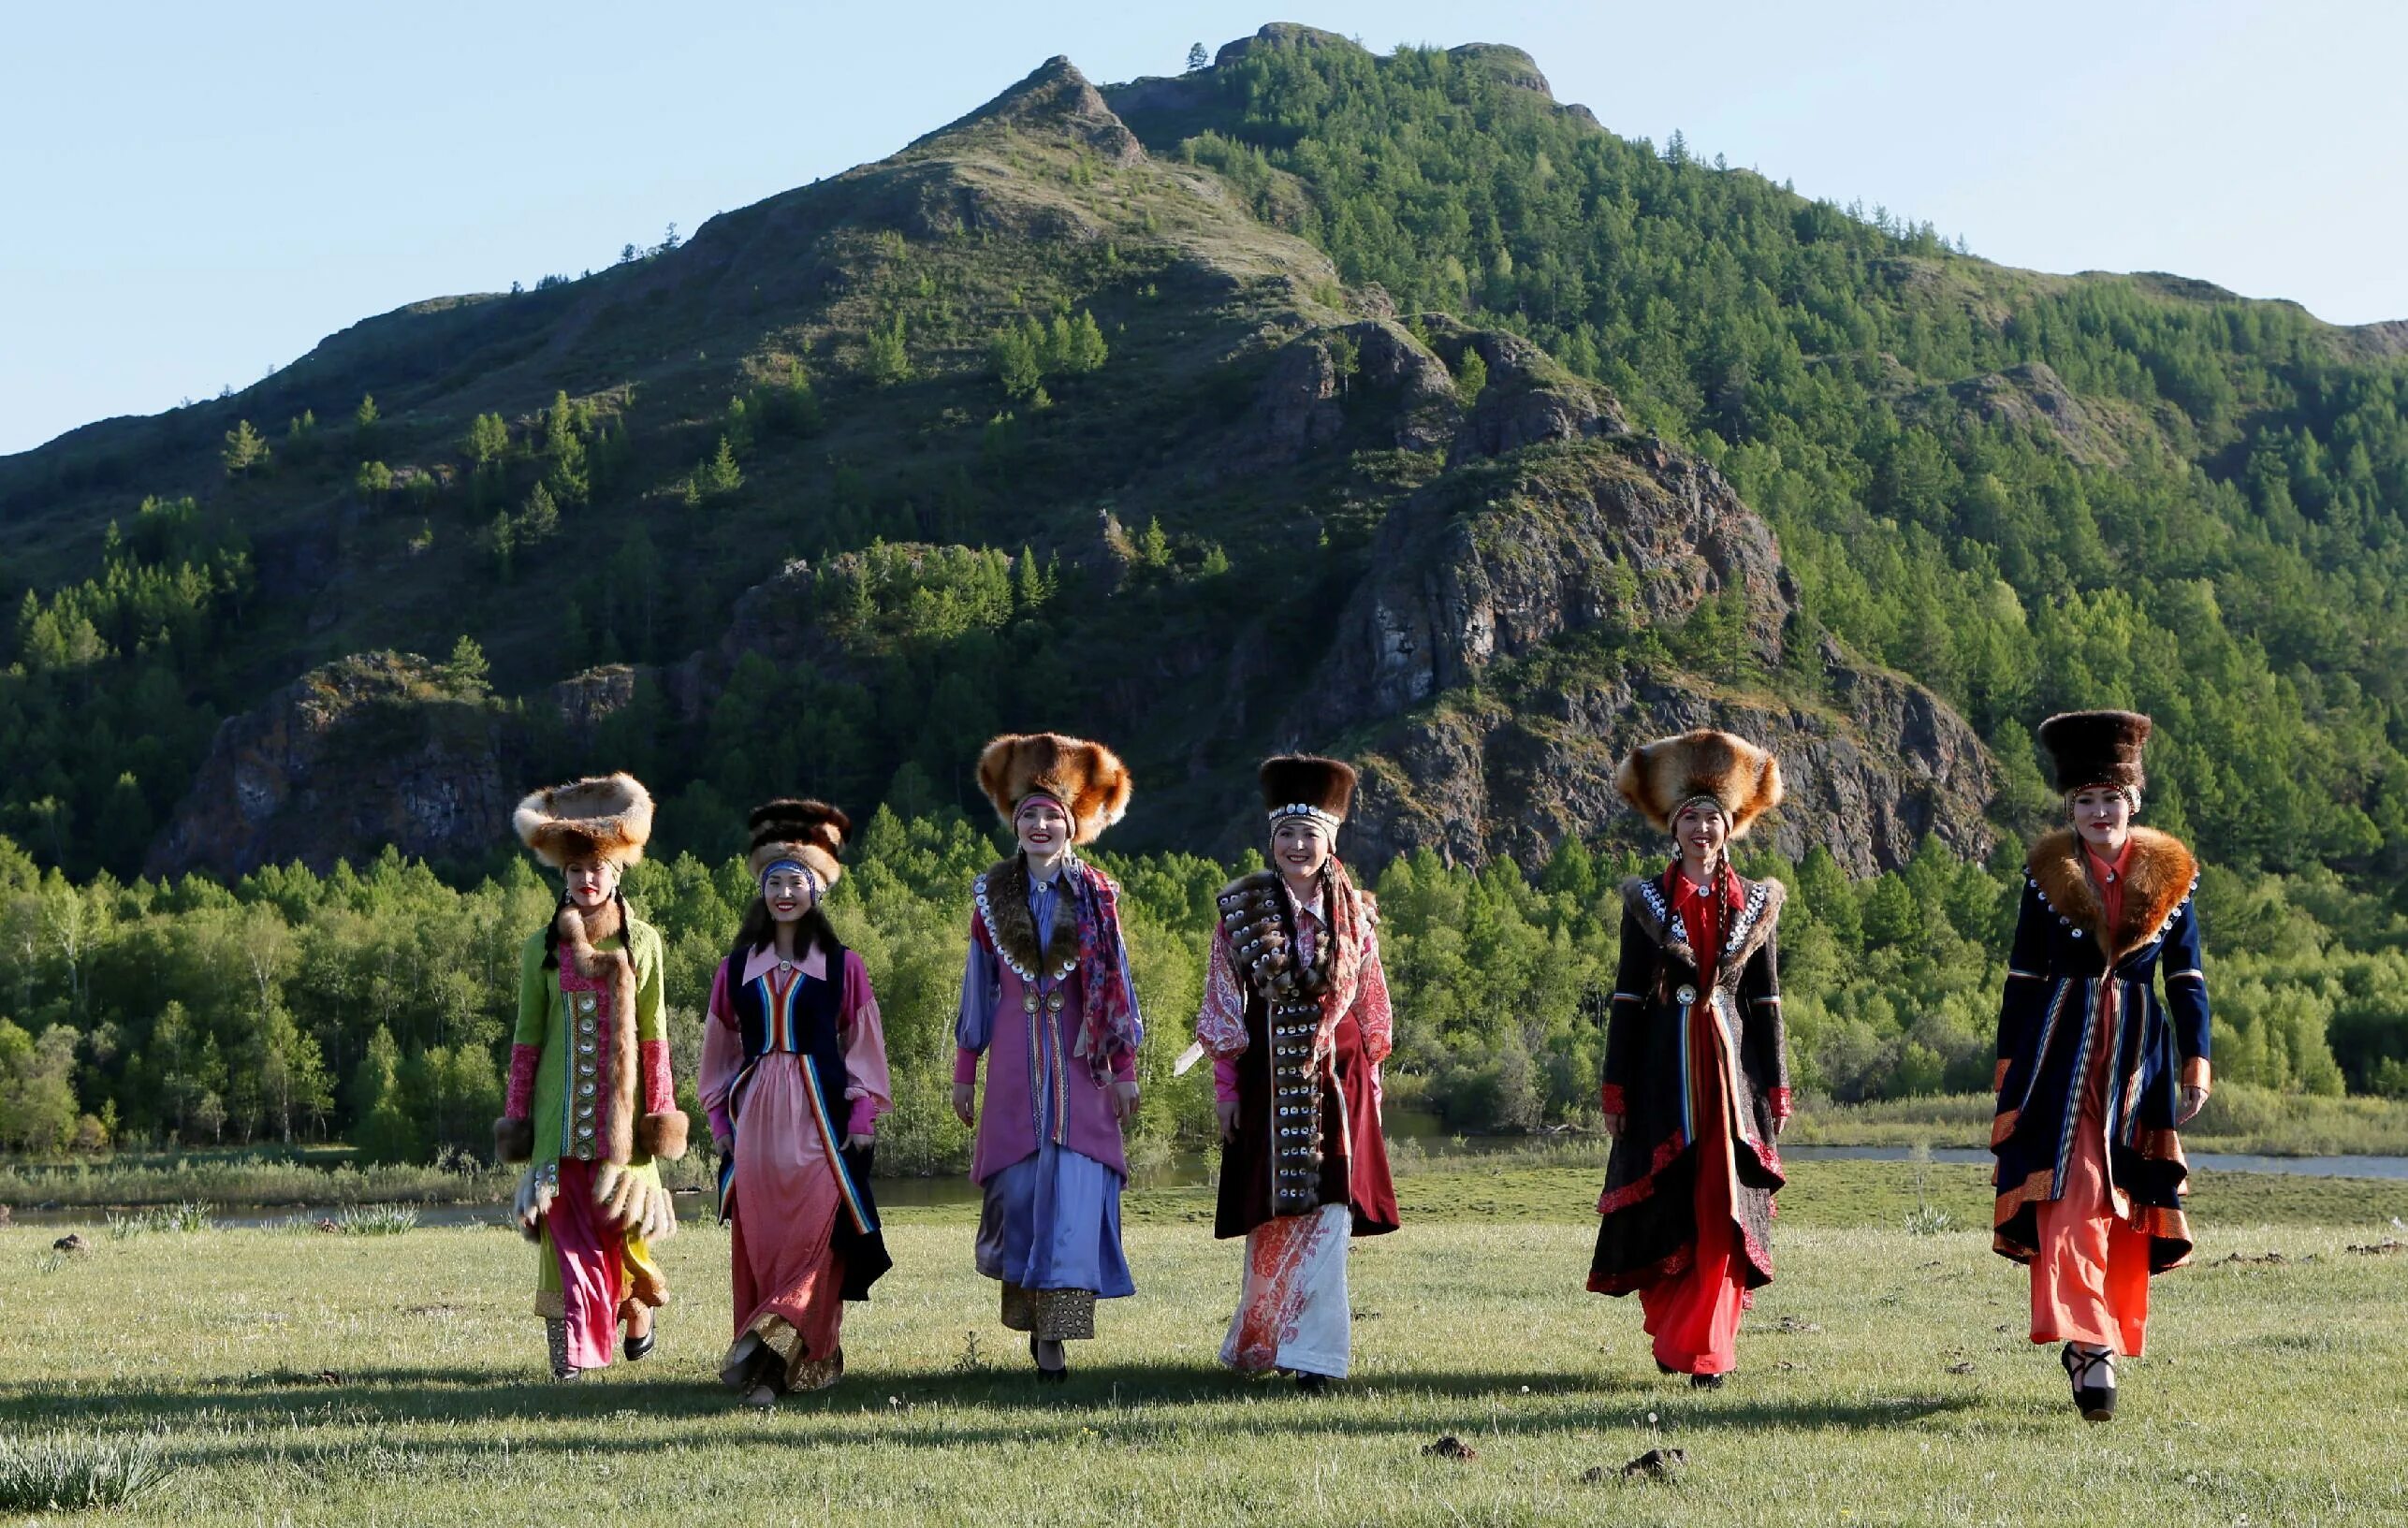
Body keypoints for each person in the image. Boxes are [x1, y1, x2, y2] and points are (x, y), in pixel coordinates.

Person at [1992, 709, 2211, 1421]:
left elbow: (2186, 979)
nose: (2095, 812)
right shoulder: (2044, 878)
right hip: (2056, 1055)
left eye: (2108, 799)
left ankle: (2099, 1331)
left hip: (2137, 1064)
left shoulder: (2173, 880)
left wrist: (2195, 1061)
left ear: (2132, 801)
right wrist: (2006, 1070)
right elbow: (2021, 978)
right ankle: (2091, 1345)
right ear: (2070, 808)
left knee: (2124, 1206)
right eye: (2082, 801)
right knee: (2073, 1187)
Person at [1588, 729, 1791, 1389]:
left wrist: (1777, 1085)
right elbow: (1624, 998)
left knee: (1721, 1203)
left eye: (1714, 817)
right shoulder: (1645, 903)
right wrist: (1615, 1088)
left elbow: (1765, 1000)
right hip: (1661, 1075)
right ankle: (1678, 1329)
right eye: (1691, 817)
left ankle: (1709, 1349)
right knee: (1668, 1202)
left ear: (1729, 827)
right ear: (1672, 828)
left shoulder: (1758, 902)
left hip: (1731, 1077)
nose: (1703, 828)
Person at [1194, 755, 1397, 1391]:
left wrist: (1375, 1082)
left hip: (1341, 1082)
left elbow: (1371, 1003)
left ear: (1329, 840)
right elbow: (1222, 1001)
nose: (1296, 845)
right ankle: (1265, 1340)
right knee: (1273, 1218)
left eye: (1309, 833)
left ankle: (1318, 1357)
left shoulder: (1355, 917)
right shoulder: (1241, 912)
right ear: (1271, 840)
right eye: (1286, 832)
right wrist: (1226, 1088)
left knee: (1332, 1214)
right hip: (1266, 1078)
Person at [952, 732, 1144, 1383]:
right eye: (1029, 813)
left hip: (1081, 1066)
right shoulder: (989, 897)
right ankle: (1035, 1326)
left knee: (1074, 1190)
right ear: (1014, 821)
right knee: (1024, 1191)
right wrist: (963, 1071)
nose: (1039, 823)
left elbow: (1116, 984)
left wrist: (1124, 1071)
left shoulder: (1097, 895)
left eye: (1051, 815)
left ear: (1073, 825)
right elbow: (976, 986)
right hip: (1011, 1065)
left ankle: (1057, 1337)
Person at [494, 773, 687, 1382]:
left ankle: (634, 1312)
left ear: (616, 873)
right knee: (561, 1240)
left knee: (623, 1233)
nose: (585, 879)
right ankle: (569, 1358)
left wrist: (661, 1112)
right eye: (575, 870)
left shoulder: (646, 943)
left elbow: (654, 1036)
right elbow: (527, 1039)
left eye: (596, 868)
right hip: (557, 1123)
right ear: (564, 877)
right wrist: (518, 1116)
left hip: (623, 1127)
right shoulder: (539, 950)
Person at [701, 799, 893, 1405]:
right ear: (761, 892)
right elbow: (719, 1049)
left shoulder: (844, 966)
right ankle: (776, 1357)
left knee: (816, 1236)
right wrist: (718, 1121)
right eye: (774, 881)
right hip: (756, 1123)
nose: (785, 891)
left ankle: (769, 1362)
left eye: (796, 880)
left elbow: (863, 1042)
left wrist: (861, 1113)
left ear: (816, 890)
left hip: (820, 1123)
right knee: (765, 1243)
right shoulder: (734, 970)